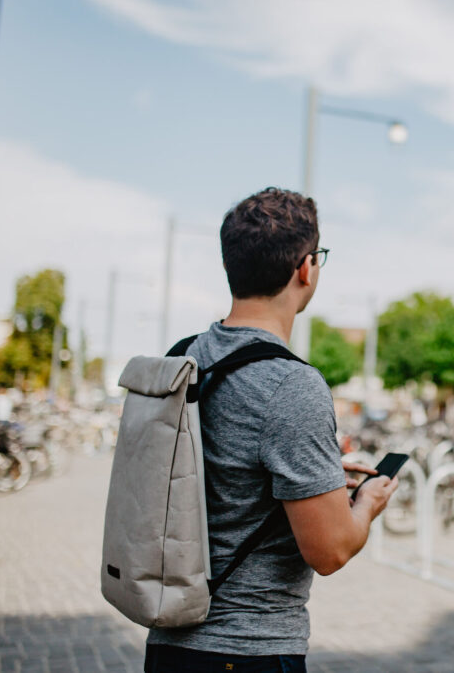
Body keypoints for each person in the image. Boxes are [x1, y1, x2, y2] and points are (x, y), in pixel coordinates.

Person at [145, 188, 399, 672]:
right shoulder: (290, 385)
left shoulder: (183, 356)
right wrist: (367, 503)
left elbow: (218, 469)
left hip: (168, 643)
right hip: (247, 650)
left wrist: (316, 474)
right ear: (306, 268)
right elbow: (330, 550)